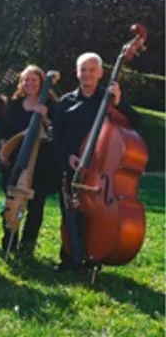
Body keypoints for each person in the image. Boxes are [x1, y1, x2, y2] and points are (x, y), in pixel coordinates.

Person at [51, 52, 141, 270]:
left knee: (93, 215)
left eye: (92, 69)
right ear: (77, 72)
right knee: (70, 212)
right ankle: (70, 256)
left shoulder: (109, 98)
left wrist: (119, 103)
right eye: (83, 69)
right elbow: (55, 136)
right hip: (73, 166)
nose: (87, 74)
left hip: (100, 171)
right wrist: (68, 156)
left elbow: (136, 122)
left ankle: (92, 256)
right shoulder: (66, 102)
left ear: (101, 73)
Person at [0, 65, 58, 255]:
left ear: (42, 82)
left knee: (35, 204)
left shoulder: (51, 105)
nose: (29, 83)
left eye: (34, 80)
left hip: (41, 161)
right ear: (21, 83)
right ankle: (9, 240)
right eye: (26, 80)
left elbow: (55, 133)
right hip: (15, 159)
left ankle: (27, 244)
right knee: (11, 200)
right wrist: (4, 148)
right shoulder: (14, 104)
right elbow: (3, 129)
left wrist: (46, 118)